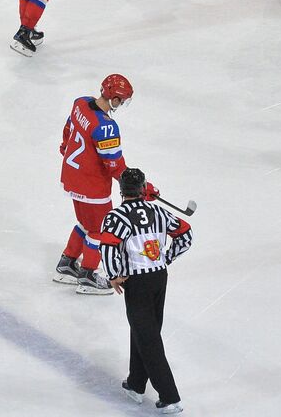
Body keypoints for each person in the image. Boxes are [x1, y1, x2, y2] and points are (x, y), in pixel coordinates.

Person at [100, 167, 191, 413]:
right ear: (143, 189)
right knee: (143, 330)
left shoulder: (117, 216)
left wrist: (114, 275)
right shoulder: (158, 210)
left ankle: (170, 397)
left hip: (136, 282)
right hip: (159, 277)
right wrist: (166, 258)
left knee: (148, 337)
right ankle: (136, 384)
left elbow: (108, 246)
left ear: (121, 190)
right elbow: (184, 233)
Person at [55, 74, 135, 294]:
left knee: (84, 222)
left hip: (72, 176)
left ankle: (67, 263)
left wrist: (65, 146)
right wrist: (136, 186)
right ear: (115, 98)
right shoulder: (106, 127)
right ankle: (88, 275)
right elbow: (114, 165)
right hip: (92, 186)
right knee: (99, 230)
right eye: (122, 100)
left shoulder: (80, 103)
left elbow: (69, 127)